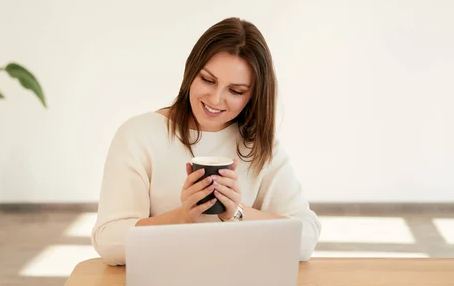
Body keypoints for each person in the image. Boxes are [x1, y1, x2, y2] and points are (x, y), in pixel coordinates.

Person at [91, 17, 321, 266]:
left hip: (240, 285)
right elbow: (108, 242)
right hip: (162, 281)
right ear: (191, 72)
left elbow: (306, 239)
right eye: (208, 80)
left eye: (236, 91)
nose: (215, 99)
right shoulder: (139, 135)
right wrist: (182, 217)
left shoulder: (259, 146)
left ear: (253, 96)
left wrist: (237, 213)